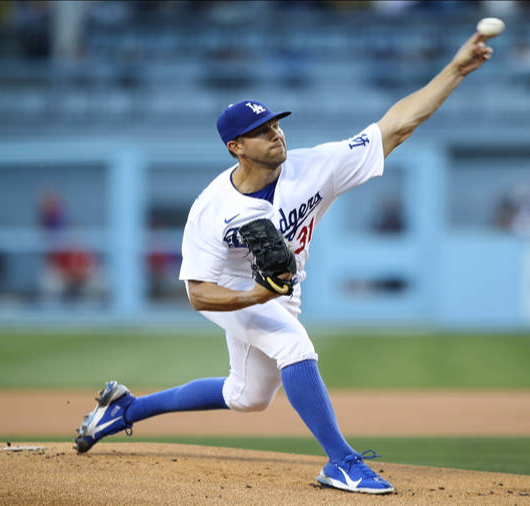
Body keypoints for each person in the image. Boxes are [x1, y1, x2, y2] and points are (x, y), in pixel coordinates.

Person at [74, 30, 494, 494]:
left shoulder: (315, 167)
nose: (275, 133)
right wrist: (256, 295)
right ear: (236, 146)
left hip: (281, 292)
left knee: (247, 396)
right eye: (261, 131)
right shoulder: (212, 209)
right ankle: (342, 462)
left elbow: (396, 125)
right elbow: (198, 294)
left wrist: (455, 69)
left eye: (275, 124)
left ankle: (126, 408)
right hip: (235, 292)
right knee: (294, 346)